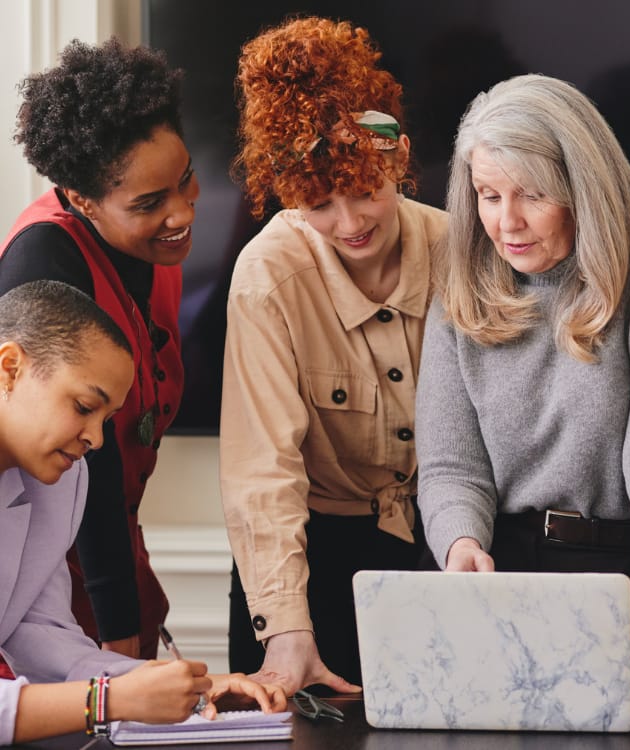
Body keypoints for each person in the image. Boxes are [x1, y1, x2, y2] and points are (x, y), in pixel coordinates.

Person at [414, 73, 630, 716]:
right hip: (493, 580)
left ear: (582, 189)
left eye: (531, 196)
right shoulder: (460, 278)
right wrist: (459, 547)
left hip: (618, 579)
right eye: (488, 195)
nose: (505, 222)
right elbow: (452, 464)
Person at [221, 16, 448, 694]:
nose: (349, 225)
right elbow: (263, 470)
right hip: (311, 561)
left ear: (399, 159)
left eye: (365, 191)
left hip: (444, 549)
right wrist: (289, 630)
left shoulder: (463, 251)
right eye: (319, 205)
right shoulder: (267, 277)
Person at [0, 281, 285, 745]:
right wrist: (108, 700)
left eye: (107, 419)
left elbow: (41, 630)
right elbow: (101, 697)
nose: (95, 438)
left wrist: (192, 691)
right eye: (84, 407)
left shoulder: (63, 478)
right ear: (9, 368)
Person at [0, 38, 199, 659]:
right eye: (149, 203)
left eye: (184, 180)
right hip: (52, 583)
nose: (181, 211)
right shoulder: (44, 258)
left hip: (119, 560)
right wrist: (118, 643)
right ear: (83, 202)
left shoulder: (157, 249)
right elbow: (89, 464)